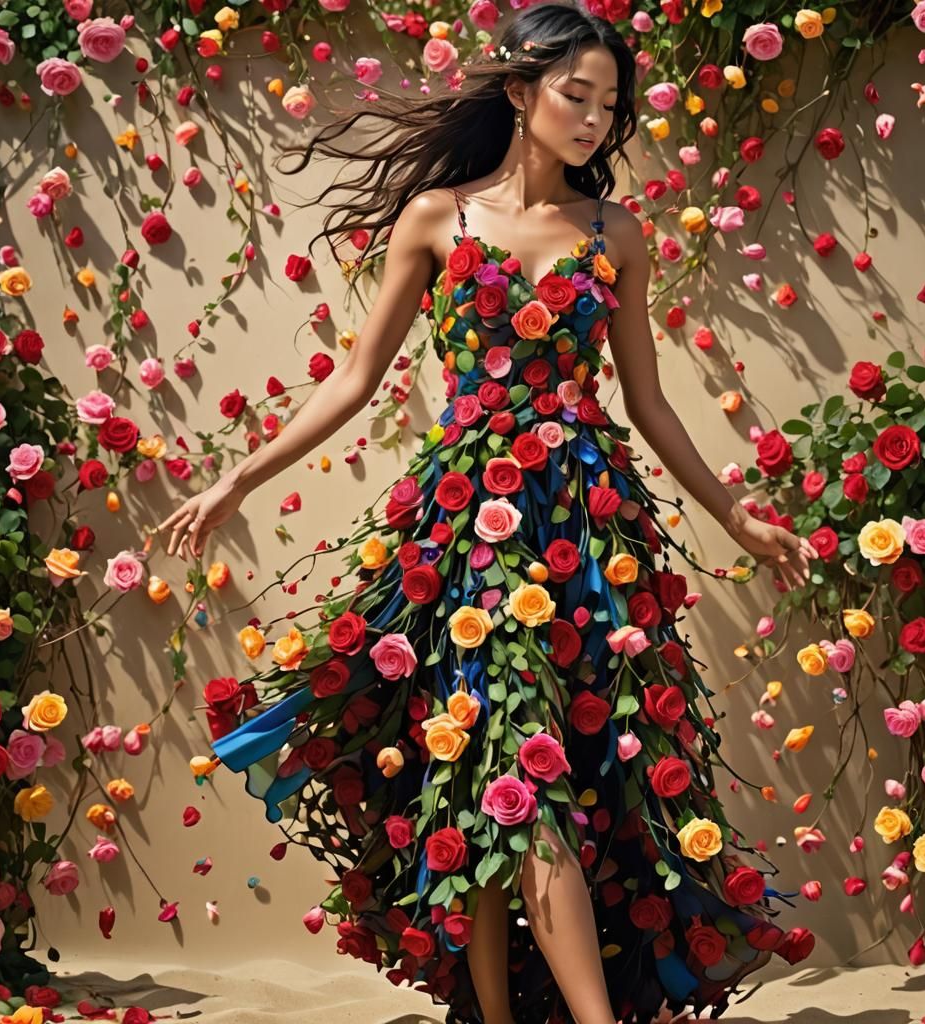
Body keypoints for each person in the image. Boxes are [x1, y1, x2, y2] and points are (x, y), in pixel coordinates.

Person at [156, 4, 820, 1023]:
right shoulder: (438, 217)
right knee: (501, 759)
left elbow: (649, 404)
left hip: (588, 533)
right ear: (518, 91)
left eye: (609, 104)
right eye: (575, 95)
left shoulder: (616, 233)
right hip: (467, 530)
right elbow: (354, 382)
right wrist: (235, 479)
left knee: (563, 763)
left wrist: (737, 519)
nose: (594, 119)